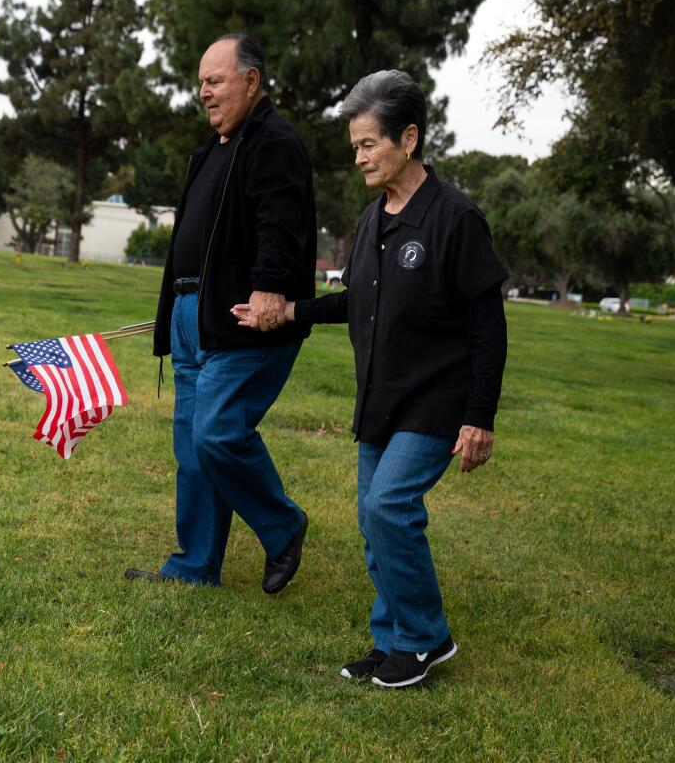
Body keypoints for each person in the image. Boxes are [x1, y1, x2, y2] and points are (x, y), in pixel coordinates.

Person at [233, 70, 508, 687]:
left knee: (390, 506)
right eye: (354, 146)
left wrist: (480, 416)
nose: (357, 157)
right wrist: (285, 310)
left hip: (436, 401)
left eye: (367, 145)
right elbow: (355, 302)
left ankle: (425, 637)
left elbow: (489, 327)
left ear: (408, 139)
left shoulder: (455, 218)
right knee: (371, 518)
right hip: (380, 399)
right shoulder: (372, 219)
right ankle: (393, 644)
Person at [124, 34, 316, 593]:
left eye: (215, 80)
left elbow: (280, 225)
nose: (203, 93)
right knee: (190, 448)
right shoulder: (211, 151)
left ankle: (283, 526)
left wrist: (268, 291)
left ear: (251, 81)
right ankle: (195, 566)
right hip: (191, 313)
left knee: (216, 434)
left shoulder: (273, 141)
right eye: (200, 83)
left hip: (241, 318)